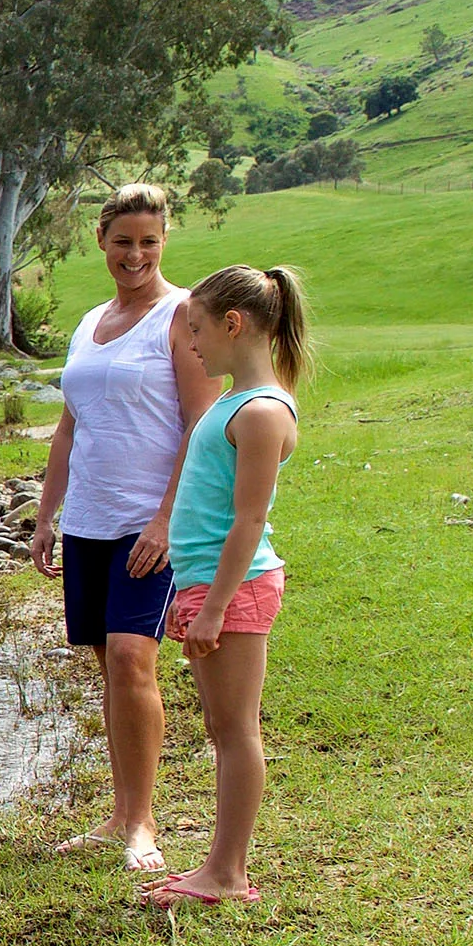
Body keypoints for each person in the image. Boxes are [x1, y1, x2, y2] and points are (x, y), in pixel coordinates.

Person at [32, 184, 219, 873]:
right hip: (88, 522)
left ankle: (142, 825)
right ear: (102, 243)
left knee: (135, 657)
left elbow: (202, 424)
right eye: (123, 241)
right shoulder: (88, 323)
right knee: (108, 665)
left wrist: (169, 519)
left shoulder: (181, 316)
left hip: (150, 525)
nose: (135, 254)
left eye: (149, 241)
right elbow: (68, 427)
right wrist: (47, 515)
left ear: (163, 241)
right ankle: (118, 816)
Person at [143, 265, 307, 910]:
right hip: (207, 585)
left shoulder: (262, 411)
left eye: (198, 329)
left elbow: (250, 520)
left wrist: (212, 609)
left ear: (233, 324)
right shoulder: (236, 402)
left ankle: (227, 873)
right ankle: (220, 864)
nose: (192, 344)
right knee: (221, 726)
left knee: (236, 731)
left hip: (231, 589)